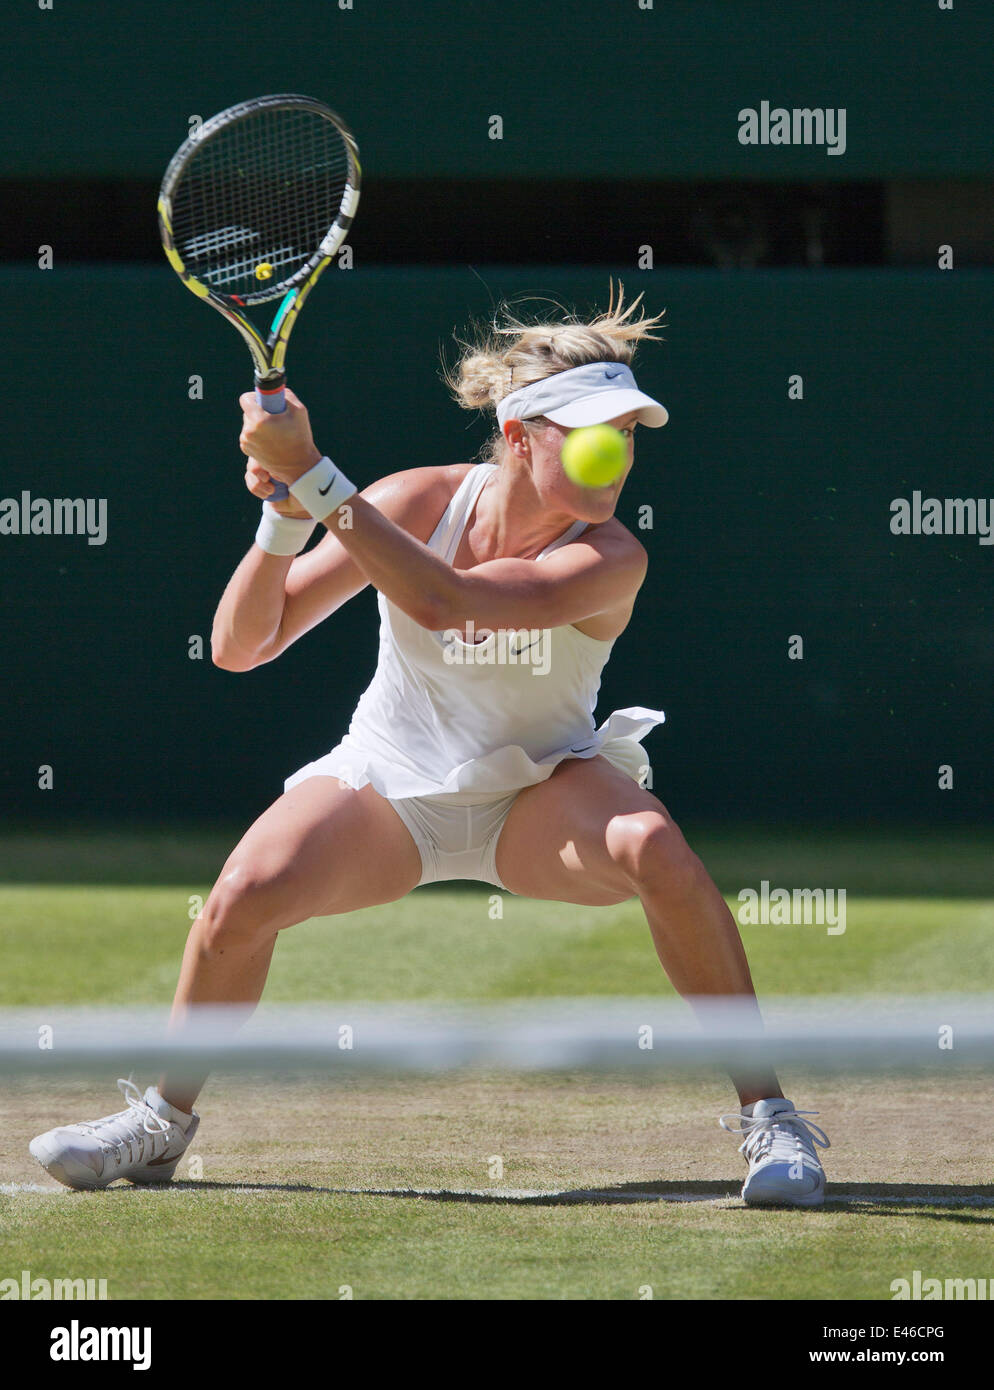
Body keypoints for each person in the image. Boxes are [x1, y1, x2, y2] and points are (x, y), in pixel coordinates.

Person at [30, 286, 828, 1205]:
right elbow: (242, 646)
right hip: (388, 788)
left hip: (541, 797)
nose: (614, 453)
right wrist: (287, 514)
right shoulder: (413, 500)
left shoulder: (612, 557)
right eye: (585, 429)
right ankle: (163, 1126)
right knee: (242, 894)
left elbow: (450, 603)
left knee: (653, 846)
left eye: (627, 430)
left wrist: (321, 479)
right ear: (519, 432)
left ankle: (771, 1118)